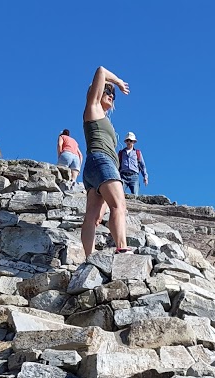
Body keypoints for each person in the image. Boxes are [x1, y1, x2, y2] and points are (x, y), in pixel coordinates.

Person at [80, 66, 132, 254]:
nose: (111, 94)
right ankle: (122, 248)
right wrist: (117, 82)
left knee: (93, 217)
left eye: (113, 94)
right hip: (102, 161)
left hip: (94, 166)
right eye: (107, 91)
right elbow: (101, 70)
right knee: (119, 205)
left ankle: (89, 258)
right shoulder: (92, 108)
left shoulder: (103, 117)